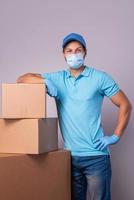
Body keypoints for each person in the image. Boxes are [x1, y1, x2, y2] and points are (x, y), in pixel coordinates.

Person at [17, 33, 132, 200]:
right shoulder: (57, 78)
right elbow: (22, 78)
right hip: (69, 158)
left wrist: (115, 136)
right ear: (63, 54)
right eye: (69, 51)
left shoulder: (100, 78)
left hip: (96, 158)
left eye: (78, 50)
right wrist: (45, 82)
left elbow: (125, 104)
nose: (74, 54)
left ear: (85, 52)